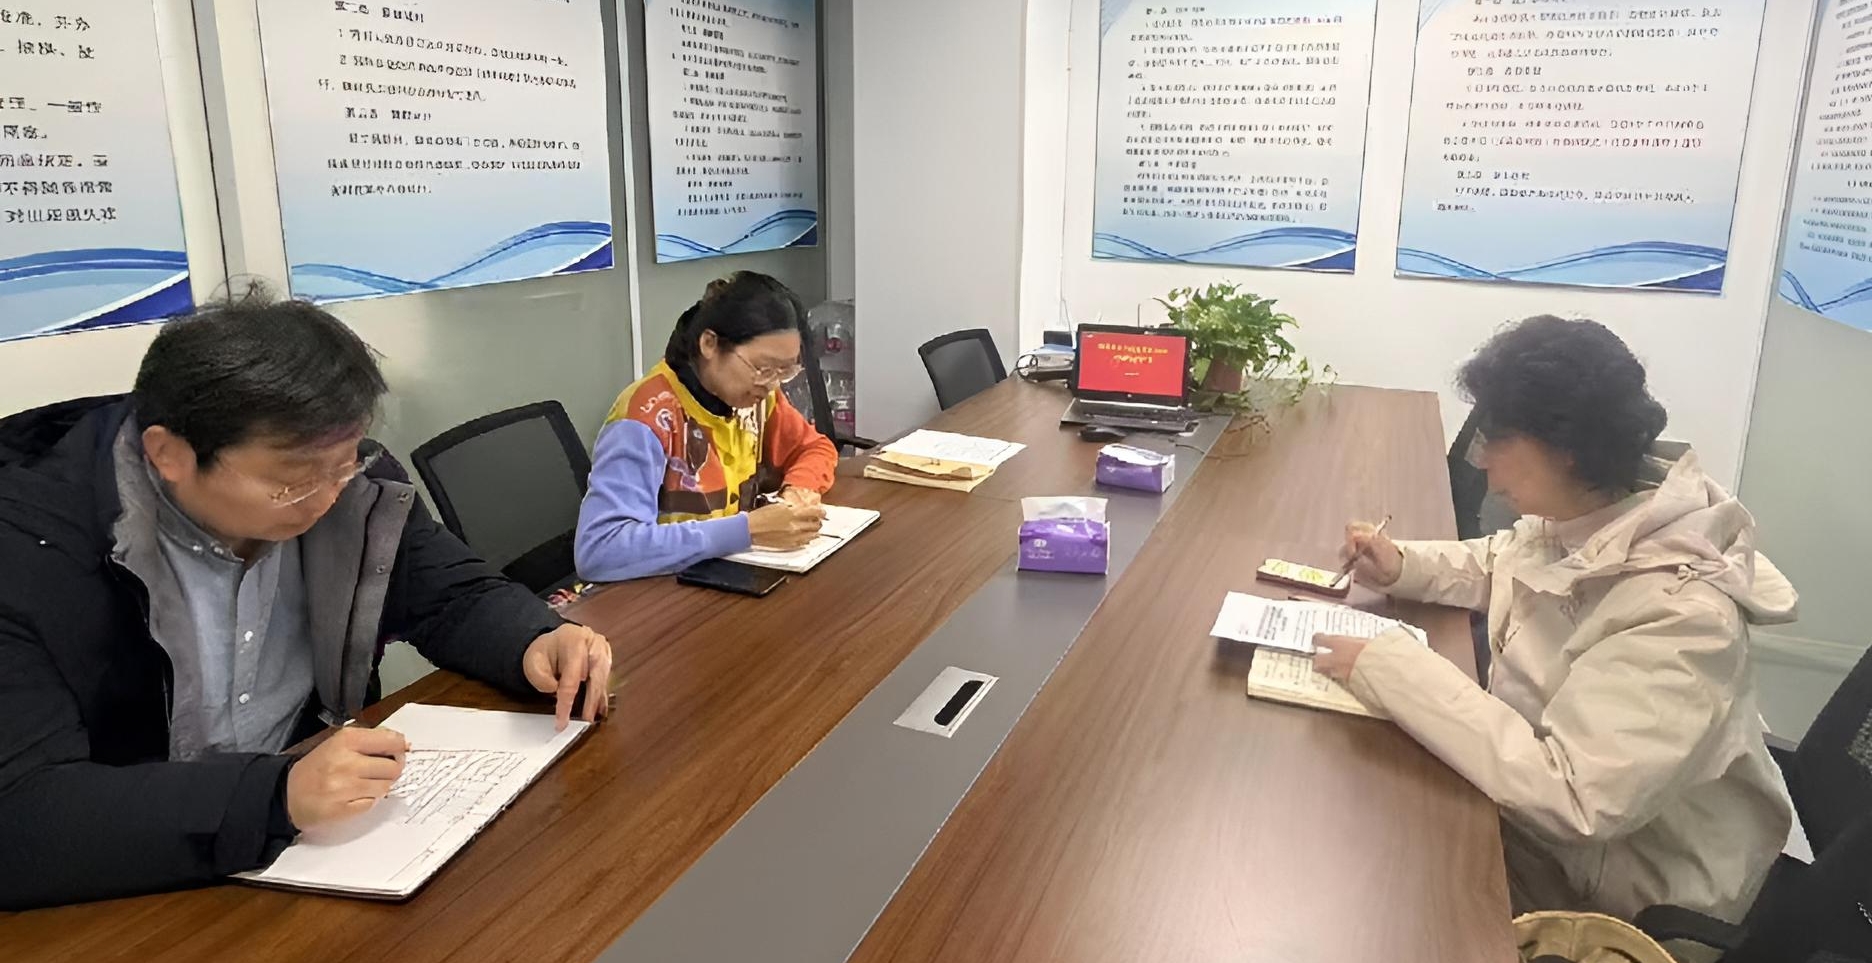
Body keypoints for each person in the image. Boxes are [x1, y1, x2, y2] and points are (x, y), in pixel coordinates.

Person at [0, 292, 613, 910]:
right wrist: (273, 797)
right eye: (290, 482)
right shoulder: (29, 551)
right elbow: (23, 815)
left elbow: (450, 595)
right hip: (132, 883)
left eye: (343, 466)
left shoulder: (348, 479)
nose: (325, 498)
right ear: (169, 455)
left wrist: (534, 638)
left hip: (313, 849)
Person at [1312, 316, 1796, 925]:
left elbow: (1575, 798)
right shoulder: (1596, 510)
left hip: (1618, 892)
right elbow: (1505, 561)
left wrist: (1393, 666)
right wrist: (1402, 564)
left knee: (1371, 880)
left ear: (1565, 446)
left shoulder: (1683, 615)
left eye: (1497, 440)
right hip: (1543, 828)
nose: (1483, 463)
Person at [576, 272, 837, 581]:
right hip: (656, 590)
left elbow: (814, 448)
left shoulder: (757, 398)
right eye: (763, 368)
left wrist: (798, 490)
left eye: (785, 371)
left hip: (723, 578)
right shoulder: (645, 418)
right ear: (709, 344)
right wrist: (747, 530)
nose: (772, 384)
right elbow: (601, 550)